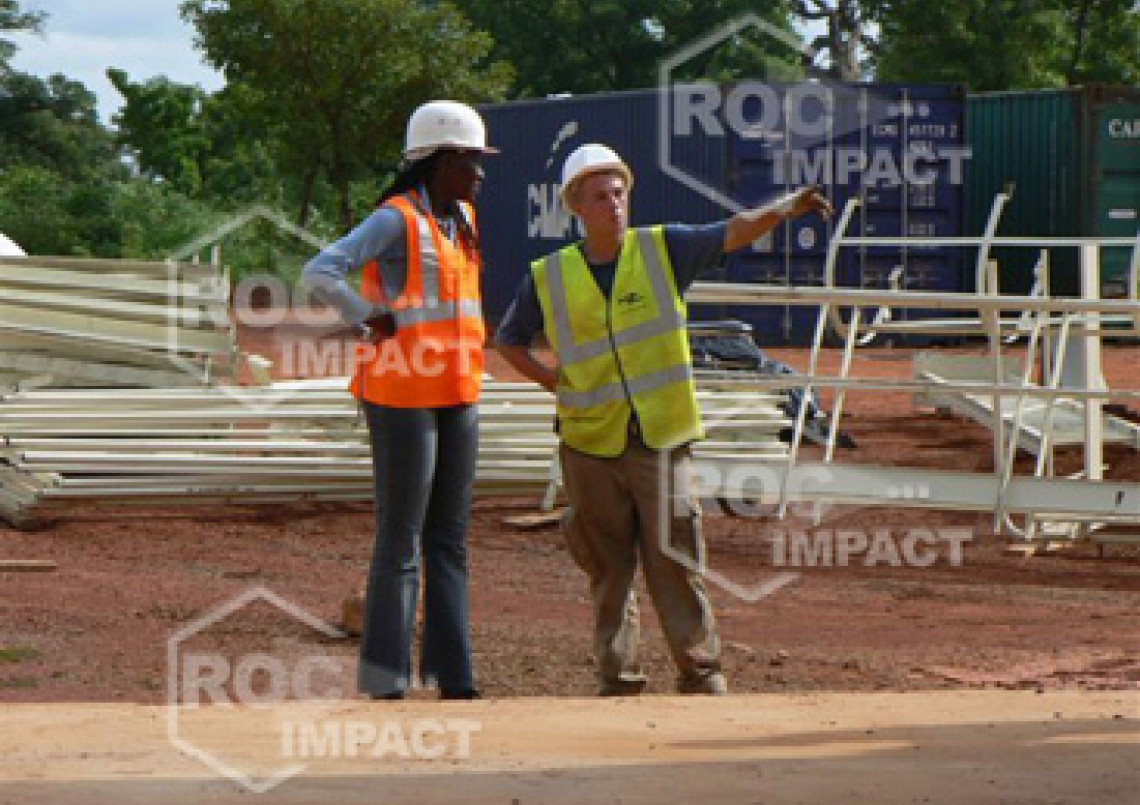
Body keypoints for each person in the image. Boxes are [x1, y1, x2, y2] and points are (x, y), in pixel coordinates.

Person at [495, 143, 831, 696]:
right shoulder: (550, 275)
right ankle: (618, 676)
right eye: (601, 196)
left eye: (620, 194)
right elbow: (508, 340)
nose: (614, 205)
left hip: (660, 437)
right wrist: (557, 382)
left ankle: (701, 671)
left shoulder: (662, 249)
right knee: (608, 568)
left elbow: (734, 231)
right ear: (576, 206)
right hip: (589, 444)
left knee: (676, 557)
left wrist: (785, 207)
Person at [302, 100, 496, 700]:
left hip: (457, 393)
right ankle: (386, 680)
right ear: (437, 161)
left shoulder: (461, 217)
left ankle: (454, 678)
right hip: (402, 395)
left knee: (449, 539)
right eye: (470, 160)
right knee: (402, 538)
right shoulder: (396, 220)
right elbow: (320, 271)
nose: (480, 173)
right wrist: (368, 317)